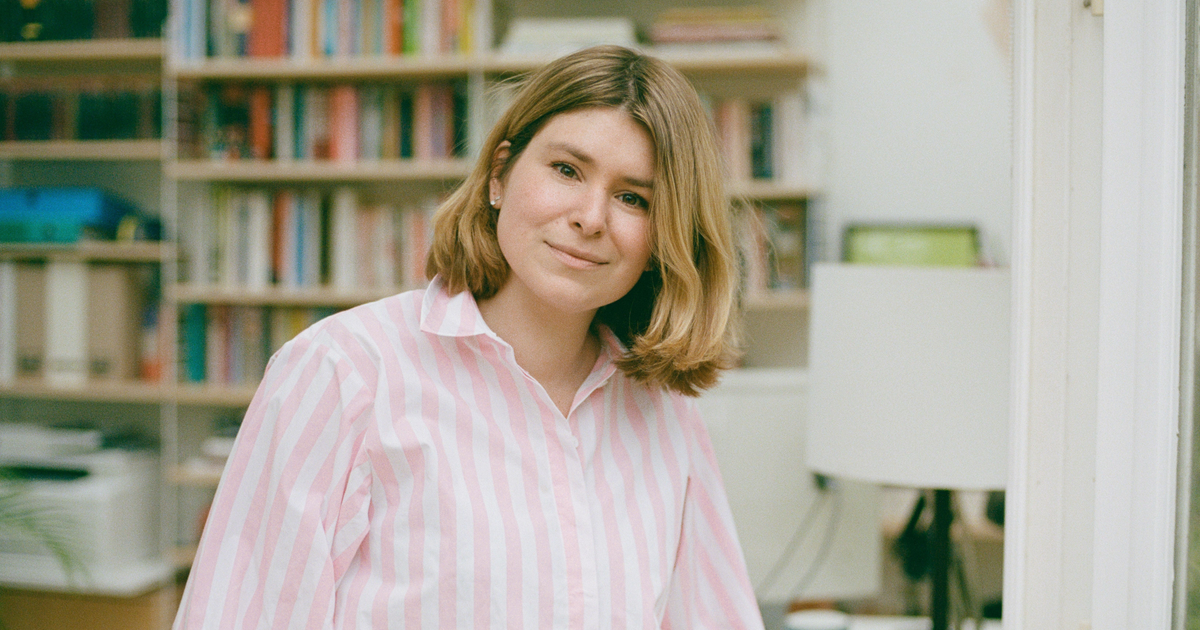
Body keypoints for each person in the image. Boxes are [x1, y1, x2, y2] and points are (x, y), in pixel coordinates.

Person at [174, 45, 763, 629]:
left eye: (633, 198)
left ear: (664, 238)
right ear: (500, 174)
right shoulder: (342, 370)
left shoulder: (666, 413)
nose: (590, 217)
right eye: (566, 170)